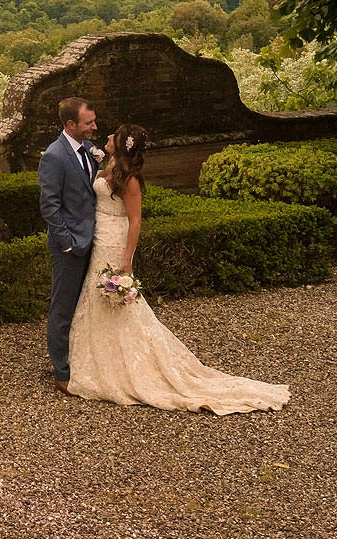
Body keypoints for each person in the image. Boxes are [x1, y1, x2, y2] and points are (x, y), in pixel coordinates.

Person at [65, 124, 289, 412]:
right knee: (94, 297)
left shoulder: (131, 180)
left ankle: (125, 367)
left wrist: (127, 262)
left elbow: (134, 221)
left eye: (114, 136)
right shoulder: (108, 166)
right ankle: (95, 359)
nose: (107, 137)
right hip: (99, 236)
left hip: (114, 241)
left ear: (122, 145)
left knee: (114, 301)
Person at [36, 96, 99, 392]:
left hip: (95, 243)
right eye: (88, 123)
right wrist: (68, 243)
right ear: (71, 124)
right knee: (62, 308)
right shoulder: (54, 156)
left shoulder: (88, 150)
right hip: (70, 247)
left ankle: (83, 359)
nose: (94, 127)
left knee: (88, 306)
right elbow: (49, 206)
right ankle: (61, 371)